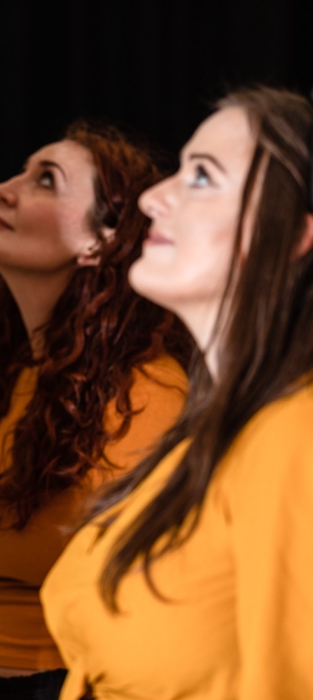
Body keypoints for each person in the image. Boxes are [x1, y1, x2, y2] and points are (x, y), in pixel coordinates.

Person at [41, 86, 313, 700]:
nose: (153, 197)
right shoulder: (205, 436)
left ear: (294, 234)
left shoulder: (295, 434)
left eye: (203, 177)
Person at [0, 123, 192, 700]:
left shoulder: (148, 394)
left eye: (46, 180)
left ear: (101, 238)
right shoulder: (16, 379)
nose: (3, 188)